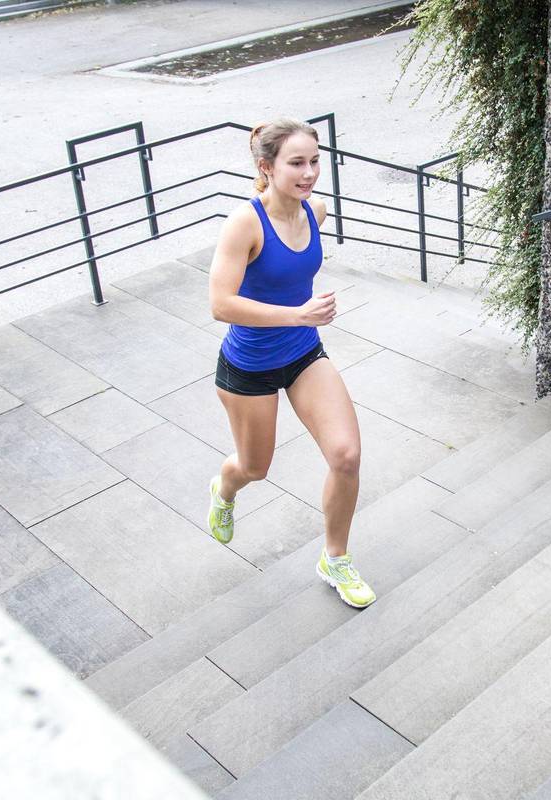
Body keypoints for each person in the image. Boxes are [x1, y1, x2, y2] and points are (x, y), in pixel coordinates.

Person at [205, 117, 375, 609]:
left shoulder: (314, 211)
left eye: (315, 161)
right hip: (249, 368)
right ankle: (224, 486)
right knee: (255, 467)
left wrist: (300, 324)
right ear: (267, 167)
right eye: (296, 163)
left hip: (303, 354)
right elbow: (220, 303)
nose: (309, 173)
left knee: (346, 456)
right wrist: (296, 313)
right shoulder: (244, 224)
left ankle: (335, 558)